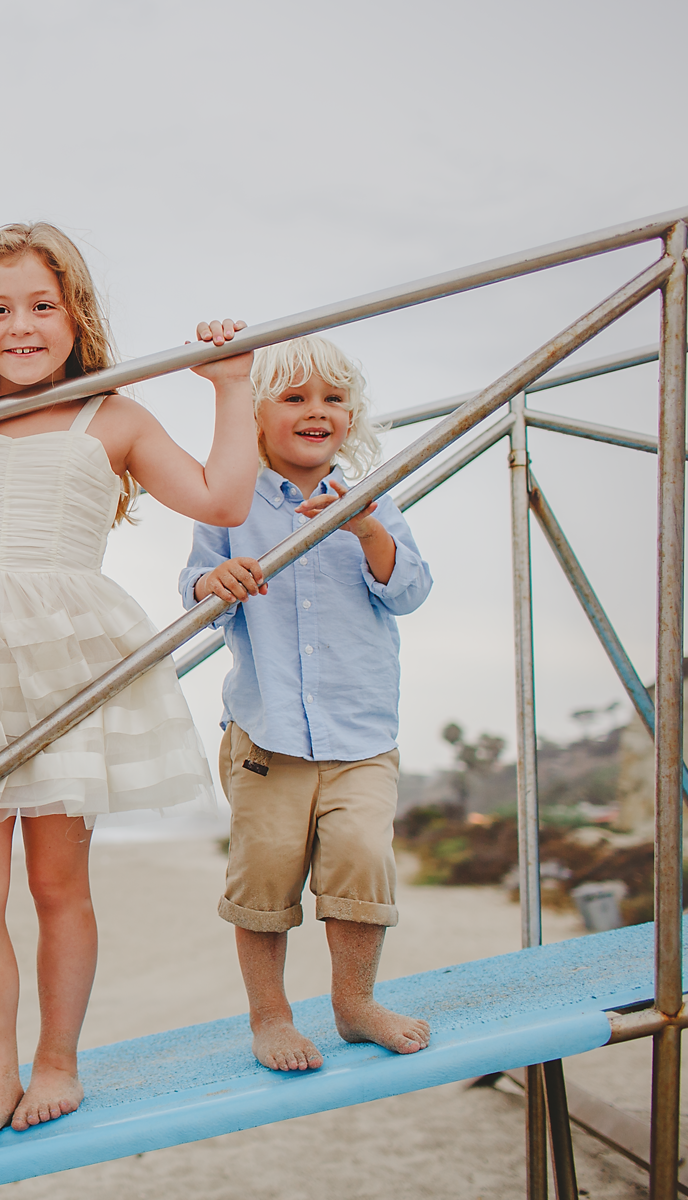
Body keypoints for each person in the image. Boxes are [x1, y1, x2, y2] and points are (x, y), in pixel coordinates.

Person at [0, 222, 257, 1161]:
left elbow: (221, 499)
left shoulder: (118, 417)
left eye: (41, 306)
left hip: (65, 657)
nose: (21, 325)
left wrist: (230, 384)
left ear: (75, 315)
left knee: (60, 883)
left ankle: (58, 1060)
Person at [180, 334, 434, 1072]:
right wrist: (212, 582)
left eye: (332, 399)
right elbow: (195, 585)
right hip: (268, 734)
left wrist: (366, 528)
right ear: (256, 417)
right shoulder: (231, 499)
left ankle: (354, 1006)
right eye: (294, 398)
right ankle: (271, 1017)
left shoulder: (376, 496)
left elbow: (410, 589)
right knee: (263, 877)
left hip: (361, 733)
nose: (315, 412)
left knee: (361, 859)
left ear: (351, 418)